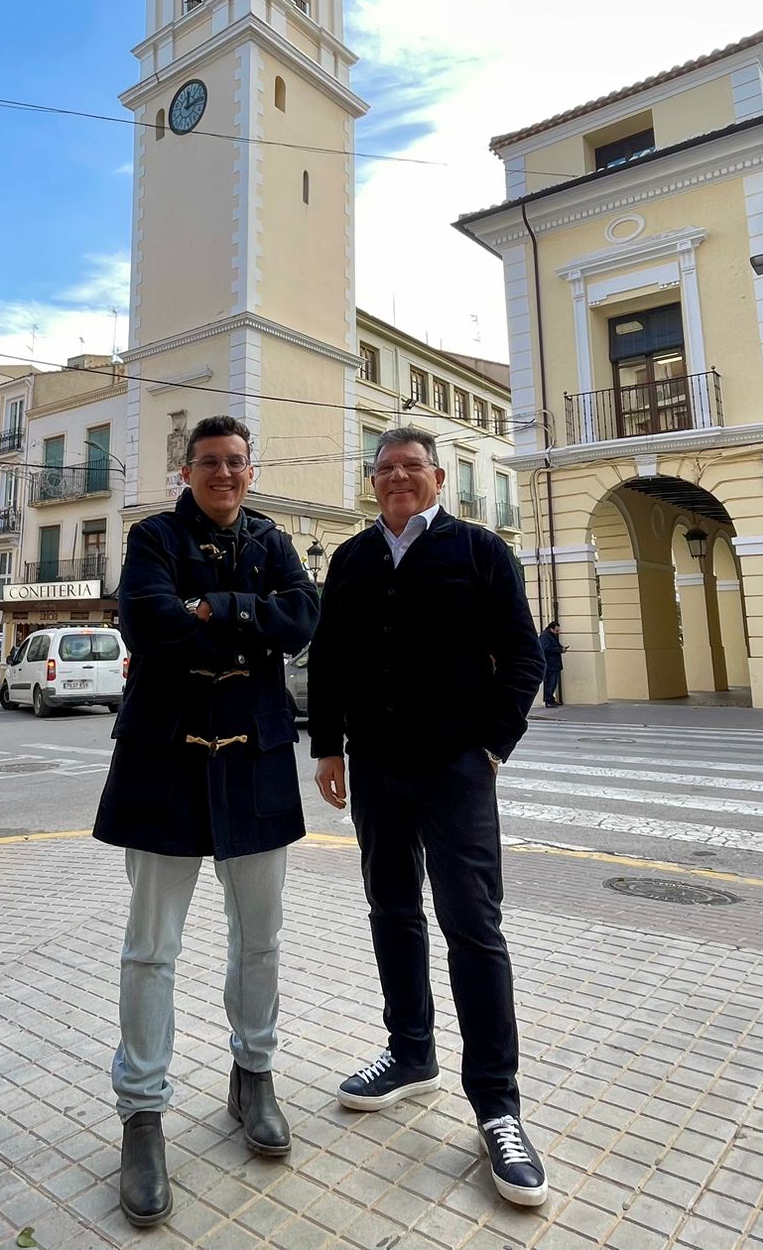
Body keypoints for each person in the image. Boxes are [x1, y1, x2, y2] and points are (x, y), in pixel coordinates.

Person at [307, 425, 550, 1208]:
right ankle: (411, 1053)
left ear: (439, 478)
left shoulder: (481, 551)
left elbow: (523, 656)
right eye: (385, 469)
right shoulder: (350, 557)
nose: (398, 477)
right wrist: (330, 747)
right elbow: (332, 659)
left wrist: (493, 748)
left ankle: (498, 1107)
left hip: (456, 769)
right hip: (376, 767)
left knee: (474, 926)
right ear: (371, 481)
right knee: (391, 911)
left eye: (413, 467)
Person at [93, 416, 320, 1227]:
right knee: (150, 948)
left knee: (260, 937)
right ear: (185, 472)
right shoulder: (151, 535)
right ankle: (142, 1115)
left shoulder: (276, 542)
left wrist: (212, 605)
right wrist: (241, 614)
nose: (224, 474)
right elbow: (146, 621)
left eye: (235, 463)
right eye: (209, 463)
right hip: (163, 762)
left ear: (250, 471)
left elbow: (304, 619)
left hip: (254, 760)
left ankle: (252, 1076)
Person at [539, 620, 564, 707]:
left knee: (553, 682)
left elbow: (556, 645)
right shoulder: (545, 636)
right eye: (556, 630)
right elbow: (546, 648)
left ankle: (551, 699)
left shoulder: (552, 635)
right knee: (550, 682)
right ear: (551, 629)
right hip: (550, 663)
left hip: (554, 663)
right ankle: (548, 701)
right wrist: (560, 650)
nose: (558, 632)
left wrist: (561, 648)